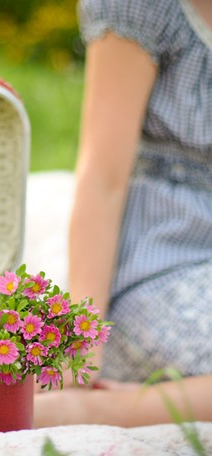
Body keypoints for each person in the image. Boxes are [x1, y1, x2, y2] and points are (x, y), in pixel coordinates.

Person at [35, 0, 212, 427]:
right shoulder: (146, 7)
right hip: (163, 257)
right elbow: (102, 179)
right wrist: (83, 341)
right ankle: (102, 408)